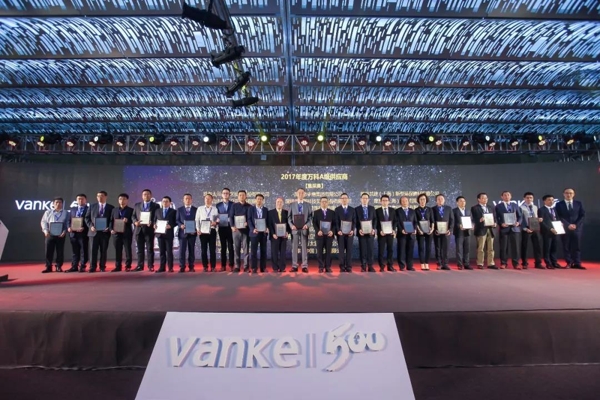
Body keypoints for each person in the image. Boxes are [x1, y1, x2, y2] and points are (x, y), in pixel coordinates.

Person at [555, 188, 586, 270]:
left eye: (570, 193)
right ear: (563, 194)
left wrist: (575, 224)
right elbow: (558, 216)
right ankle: (569, 262)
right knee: (566, 246)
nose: (568, 195)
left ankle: (577, 263)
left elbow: (582, 215)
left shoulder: (578, 203)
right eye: (567, 193)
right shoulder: (559, 204)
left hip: (577, 228)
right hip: (565, 228)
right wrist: (567, 225)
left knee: (576, 246)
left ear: (574, 194)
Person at [85, 191, 114, 273]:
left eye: (101, 196)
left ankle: (102, 266)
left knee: (103, 250)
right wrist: (91, 226)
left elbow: (112, 220)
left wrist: (109, 227)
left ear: (106, 197)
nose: (99, 197)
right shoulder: (92, 206)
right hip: (93, 232)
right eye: (98, 196)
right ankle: (92, 267)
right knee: (93, 250)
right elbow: (87, 218)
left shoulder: (111, 207)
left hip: (105, 232)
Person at [132, 189, 160, 272]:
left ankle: (150, 266)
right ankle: (140, 265)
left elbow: (157, 216)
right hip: (139, 230)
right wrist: (135, 222)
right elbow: (133, 216)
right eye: (144, 194)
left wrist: (152, 222)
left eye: (148, 194)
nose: (146, 196)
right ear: (142, 196)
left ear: (151, 195)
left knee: (150, 249)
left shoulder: (156, 205)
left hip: (149, 230)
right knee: (140, 250)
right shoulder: (137, 205)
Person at [40, 197, 70, 273]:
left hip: (61, 234)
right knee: (48, 251)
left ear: (62, 204)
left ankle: (59, 266)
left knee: (60, 251)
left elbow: (67, 223)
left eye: (60, 202)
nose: (58, 204)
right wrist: (45, 231)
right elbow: (44, 222)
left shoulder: (66, 213)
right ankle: (48, 267)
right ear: (53, 204)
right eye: (56, 202)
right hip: (50, 234)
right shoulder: (48, 212)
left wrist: (65, 231)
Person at [495, 191, 522, 269]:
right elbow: (496, 218)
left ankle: (516, 263)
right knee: (503, 247)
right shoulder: (498, 206)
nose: (507, 196)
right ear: (502, 197)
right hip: (504, 229)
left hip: (515, 228)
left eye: (508, 195)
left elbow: (520, 216)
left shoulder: (515, 205)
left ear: (511, 196)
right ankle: (503, 263)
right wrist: (501, 223)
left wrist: (518, 223)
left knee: (516, 247)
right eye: (505, 195)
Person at [288, 187, 312, 273]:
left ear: (304, 194)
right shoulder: (292, 205)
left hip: (304, 229)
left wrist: (307, 225)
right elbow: (289, 217)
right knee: (294, 248)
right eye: (299, 193)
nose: (300, 194)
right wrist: (291, 226)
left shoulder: (308, 205)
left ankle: (304, 266)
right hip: (295, 229)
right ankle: (294, 266)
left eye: (302, 193)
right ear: (296, 194)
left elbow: (310, 218)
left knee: (304, 248)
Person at [471, 193, 497, 269]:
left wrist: (495, 223)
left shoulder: (491, 207)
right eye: (483, 198)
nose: (485, 199)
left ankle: (491, 263)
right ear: (478, 199)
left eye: (486, 198)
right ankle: (480, 263)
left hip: (490, 229)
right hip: (481, 229)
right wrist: (479, 220)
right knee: (480, 248)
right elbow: (473, 219)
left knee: (491, 248)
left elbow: (494, 217)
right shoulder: (474, 208)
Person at [109, 193, 134, 272]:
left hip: (127, 233)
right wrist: (111, 229)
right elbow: (111, 221)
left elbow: (133, 220)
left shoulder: (131, 210)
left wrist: (128, 221)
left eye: (124, 199)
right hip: (116, 233)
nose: (122, 201)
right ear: (118, 200)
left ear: (127, 200)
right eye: (120, 199)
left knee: (127, 250)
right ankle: (118, 266)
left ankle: (128, 266)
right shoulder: (114, 210)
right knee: (118, 250)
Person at [65, 194, 89, 273]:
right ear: (76, 200)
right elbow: (68, 220)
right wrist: (69, 227)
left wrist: (84, 228)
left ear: (86, 200)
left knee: (83, 251)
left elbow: (90, 221)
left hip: (83, 233)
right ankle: (74, 266)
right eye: (79, 199)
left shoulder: (89, 209)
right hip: (73, 233)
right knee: (74, 251)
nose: (80, 200)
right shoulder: (73, 209)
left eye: (82, 199)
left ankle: (82, 266)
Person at [519, 192, 543, 269]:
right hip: (526, 228)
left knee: (537, 246)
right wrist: (525, 228)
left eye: (531, 198)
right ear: (524, 198)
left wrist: (539, 219)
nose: (529, 199)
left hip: (535, 228)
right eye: (527, 198)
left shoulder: (535, 207)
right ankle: (524, 263)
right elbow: (520, 219)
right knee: (525, 246)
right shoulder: (521, 207)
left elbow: (536, 217)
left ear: (533, 198)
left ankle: (538, 263)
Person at [230, 190, 252, 272]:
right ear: (238, 196)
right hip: (236, 230)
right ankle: (237, 266)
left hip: (246, 231)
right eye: (240, 195)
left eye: (243, 195)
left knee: (246, 250)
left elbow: (250, 218)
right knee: (236, 249)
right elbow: (231, 217)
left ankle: (246, 266)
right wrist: (232, 226)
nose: (242, 196)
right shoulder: (234, 205)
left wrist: (248, 223)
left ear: (246, 196)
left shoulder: (249, 206)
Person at [538, 195, 562, 269]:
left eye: (552, 200)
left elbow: (557, 218)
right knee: (547, 248)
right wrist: (550, 229)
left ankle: (554, 262)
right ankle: (548, 263)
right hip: (547, 232)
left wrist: (560, 224)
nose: (551, 201)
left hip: (556, 231)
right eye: (549, 200)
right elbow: (541, 222)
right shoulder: (541, 210)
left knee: (554, 248)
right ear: (544, 201)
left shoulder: (554, 209)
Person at [195, 194, 218, 272]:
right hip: (203, 231)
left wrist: (215, 223)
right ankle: (205, 266)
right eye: (206, 198)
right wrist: (198, 229)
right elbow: (197, 220)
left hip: (212, 231)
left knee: (212, 250)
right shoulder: (200, 208)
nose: (207, 200)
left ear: (212, 200)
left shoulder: (215, 209)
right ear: (204, 199)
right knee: (204, 250)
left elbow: (217, 220)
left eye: (209, 198)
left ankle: (213, 266)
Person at [313, 197, 336, 273]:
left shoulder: (332, 212)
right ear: (320, 202)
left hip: (329, 235)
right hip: (320, 235)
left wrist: (332, 231)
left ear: (328, 202)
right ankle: (321, 267)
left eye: (325, 201)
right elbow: (314, 223)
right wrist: (318, 231)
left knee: (328, 252)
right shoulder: (316, 212)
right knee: (319, 252)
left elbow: (335, 224)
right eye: (322, 201)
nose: (324, 203)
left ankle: (328, 267)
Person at [154, 196, 177, 273]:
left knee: (169, 252)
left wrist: (171, 225)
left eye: (167, 201)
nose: (165, 203)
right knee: (161, 252)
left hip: (169, 234)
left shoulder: (173, 211)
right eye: (163, 201)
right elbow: (154, 220)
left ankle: (170, 267)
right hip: (160, 234)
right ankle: (162, 267)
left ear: (170, 203)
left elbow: (176, 222)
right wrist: (154, 225)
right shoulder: (157, 211)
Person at [432, 194, 454, 270]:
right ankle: (439, 263)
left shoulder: (449, 208)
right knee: (438, 248)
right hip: (437, 232)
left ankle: (445, 263)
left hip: (446, 232)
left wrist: (450, 230)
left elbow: (452, 220)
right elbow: (432, 220)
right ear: (436, 201)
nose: (440, 200)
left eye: (441, 199)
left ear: (444, 200)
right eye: (438, 199)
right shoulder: (433, 209)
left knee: (446, 248)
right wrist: (435, 230)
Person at [334, 193, 355, 273]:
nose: (344, 199)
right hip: (341, 234)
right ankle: (342, 266)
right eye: (342, 198)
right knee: (341, 251)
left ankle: (349, 266)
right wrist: (338, 230)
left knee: (349, 250)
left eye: (345, 198)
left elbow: (354, 221)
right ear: (340, 200)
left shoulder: (352, 209)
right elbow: (336, 221)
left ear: (348, 199)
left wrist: (352, 230)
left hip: (350, 234)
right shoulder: (337, 209)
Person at [248, 194, 269, 273]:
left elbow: (268, 221)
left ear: (263, 200)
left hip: (263, 233)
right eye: (258, 199)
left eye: (260, 199)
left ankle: (263, 267)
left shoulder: (266, 210)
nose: (259, 200)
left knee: (263, 251)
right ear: (255, 200)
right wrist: (252, 229)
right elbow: (249, 220)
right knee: (254, 251)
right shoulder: (251, 209)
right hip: (254, 233)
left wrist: (267, 228)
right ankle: (254, 267)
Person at [177, 193, 198, 272]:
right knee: (182, 251)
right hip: (182, 233)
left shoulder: (196, 209)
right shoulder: (179, 209)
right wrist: (180, 225)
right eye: (186, 198)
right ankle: (182, 266)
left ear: (191, 200)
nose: (187, 200)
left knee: (191, 250)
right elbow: (177, 220)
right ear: (183, 200)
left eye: (189, 198)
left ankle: (191, 266)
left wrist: (195, 229)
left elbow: (197, 221)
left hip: (192, 233)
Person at [355, 193, 376, 272]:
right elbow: (355, 221)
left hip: (370, 232)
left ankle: (370, 266)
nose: (365, 200)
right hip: (362, 233)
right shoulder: (357, 209)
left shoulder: (372, 208)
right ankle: (363, 266)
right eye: (363, 198)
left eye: (366, 198)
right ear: (361, 199)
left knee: (370, 250)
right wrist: (359, 229)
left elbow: (375, 219)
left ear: (368, 199)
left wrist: (373, 229)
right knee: (363, 250)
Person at [268, 197, 290, 272]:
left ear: (283, 204)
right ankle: (275, 267)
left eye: (281, 202)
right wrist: (273, 234)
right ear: (275, 203)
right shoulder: (270, 212)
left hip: (283, 236)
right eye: (278, 202)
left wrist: (287, 232)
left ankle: (282, 268)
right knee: (274, 252)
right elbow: (269, 224)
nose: (279, 203)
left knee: (283, 253)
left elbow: (288, 224)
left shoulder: (286, 212)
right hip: (274, 236)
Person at [395, 196, 417, 271]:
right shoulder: (397, 211)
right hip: (402, 234)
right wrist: (401, 230)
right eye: (403, 201)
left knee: (410, 250)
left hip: (411, 234)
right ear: (400, 202)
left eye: (406, 201)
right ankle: (402, 266)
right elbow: (397, 222)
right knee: (401, 250)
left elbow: (415, 222)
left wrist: (415, 229)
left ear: (408, 202)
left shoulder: (412, 211)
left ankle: (410, 266)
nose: (404, 202)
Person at [375, 194, 396, 272]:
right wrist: (380, 230)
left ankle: (390, 266)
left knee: (390, 250)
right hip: (382, 234)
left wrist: (393, 229)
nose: (385, 202)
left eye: (386, 200)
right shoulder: (377, 211)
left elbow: (395, 221)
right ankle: (381, 266)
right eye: (383, 200)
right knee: (381, 250)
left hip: (390, 233)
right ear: (380, 201)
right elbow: (376, 223)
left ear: (389, 201)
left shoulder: (392, 210)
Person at [216, 188, 234, 272]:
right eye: (224, 193)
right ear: (221, 194)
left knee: (230, 246)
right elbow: (216, 216)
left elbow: (234, 216)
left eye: (227, 193)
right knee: (223, 247)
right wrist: (217, 220)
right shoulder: (218, 205)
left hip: (231, 228)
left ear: (229, 195)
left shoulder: (233, 204)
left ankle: (231, 265)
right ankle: (223, 265)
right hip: (222, 228)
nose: (225, 194)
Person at [415, 193, 434, 271]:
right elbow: (415, 222)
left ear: (426, 200)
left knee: (428, 248)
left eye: (424, 199)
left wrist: (432, 229)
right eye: (421, 199)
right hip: (420, 231)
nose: (422, 201)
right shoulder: (416, 210)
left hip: (429, 231)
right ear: (418, 200)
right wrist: (419, 230)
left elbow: (432, 220)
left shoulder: (430, 209)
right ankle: (422, 263)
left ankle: (427, 263)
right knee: (421, 247)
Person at [453, 196, 472, 270]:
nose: (462, 202)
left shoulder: (468, 211)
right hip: (459, 232)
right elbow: (453, 222)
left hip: (467, 232)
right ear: (457, 203)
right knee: (459, 249)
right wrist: (459, 226)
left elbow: (471, 220)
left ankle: (466, 264)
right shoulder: (454, 211)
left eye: (464, 201)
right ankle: (460, 264)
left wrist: (472, 225)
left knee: (467, 249)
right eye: (460, 201)